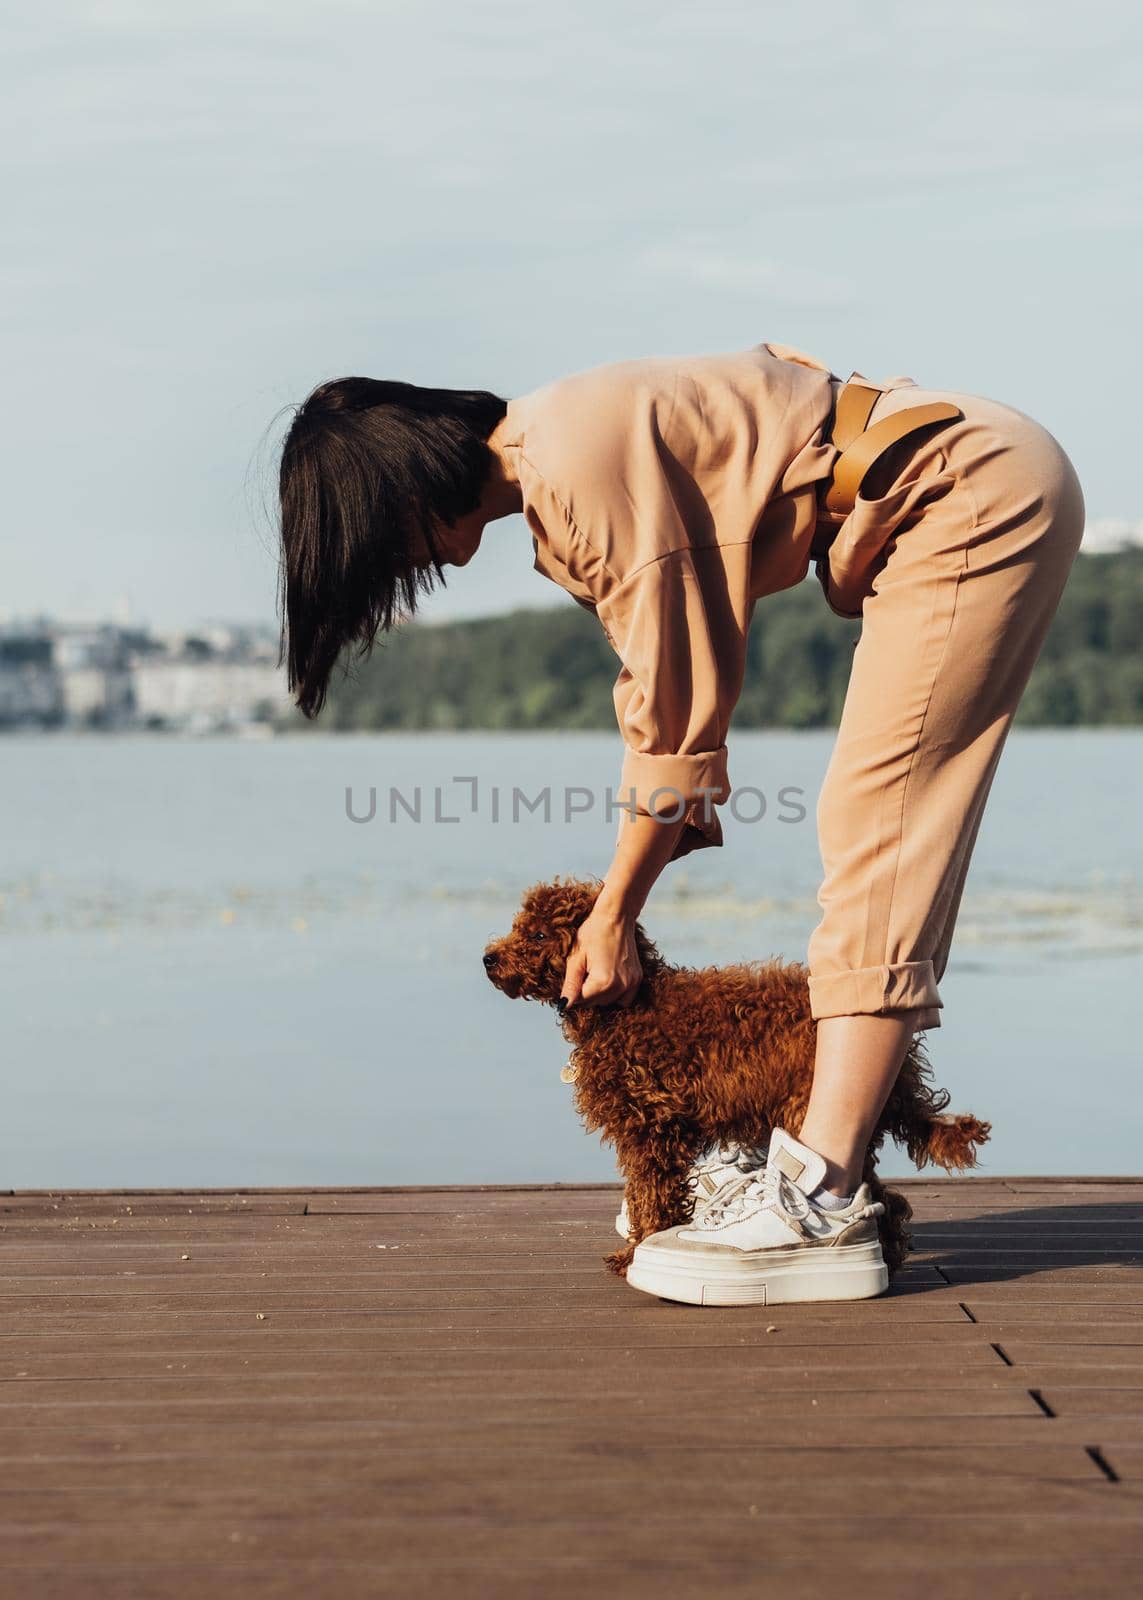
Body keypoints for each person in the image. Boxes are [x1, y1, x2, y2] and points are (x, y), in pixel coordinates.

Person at [275, 340, 1085, 1304]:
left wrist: (613, 913)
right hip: (960, 475)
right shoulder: (559, 443)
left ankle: (819, 1197)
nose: (397, 568)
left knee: (884, 819)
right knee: (876, 812)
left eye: (371, 542)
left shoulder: (574, 474)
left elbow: (676, 713)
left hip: (964, 495)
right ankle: (812, 1175)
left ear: (400, 489)